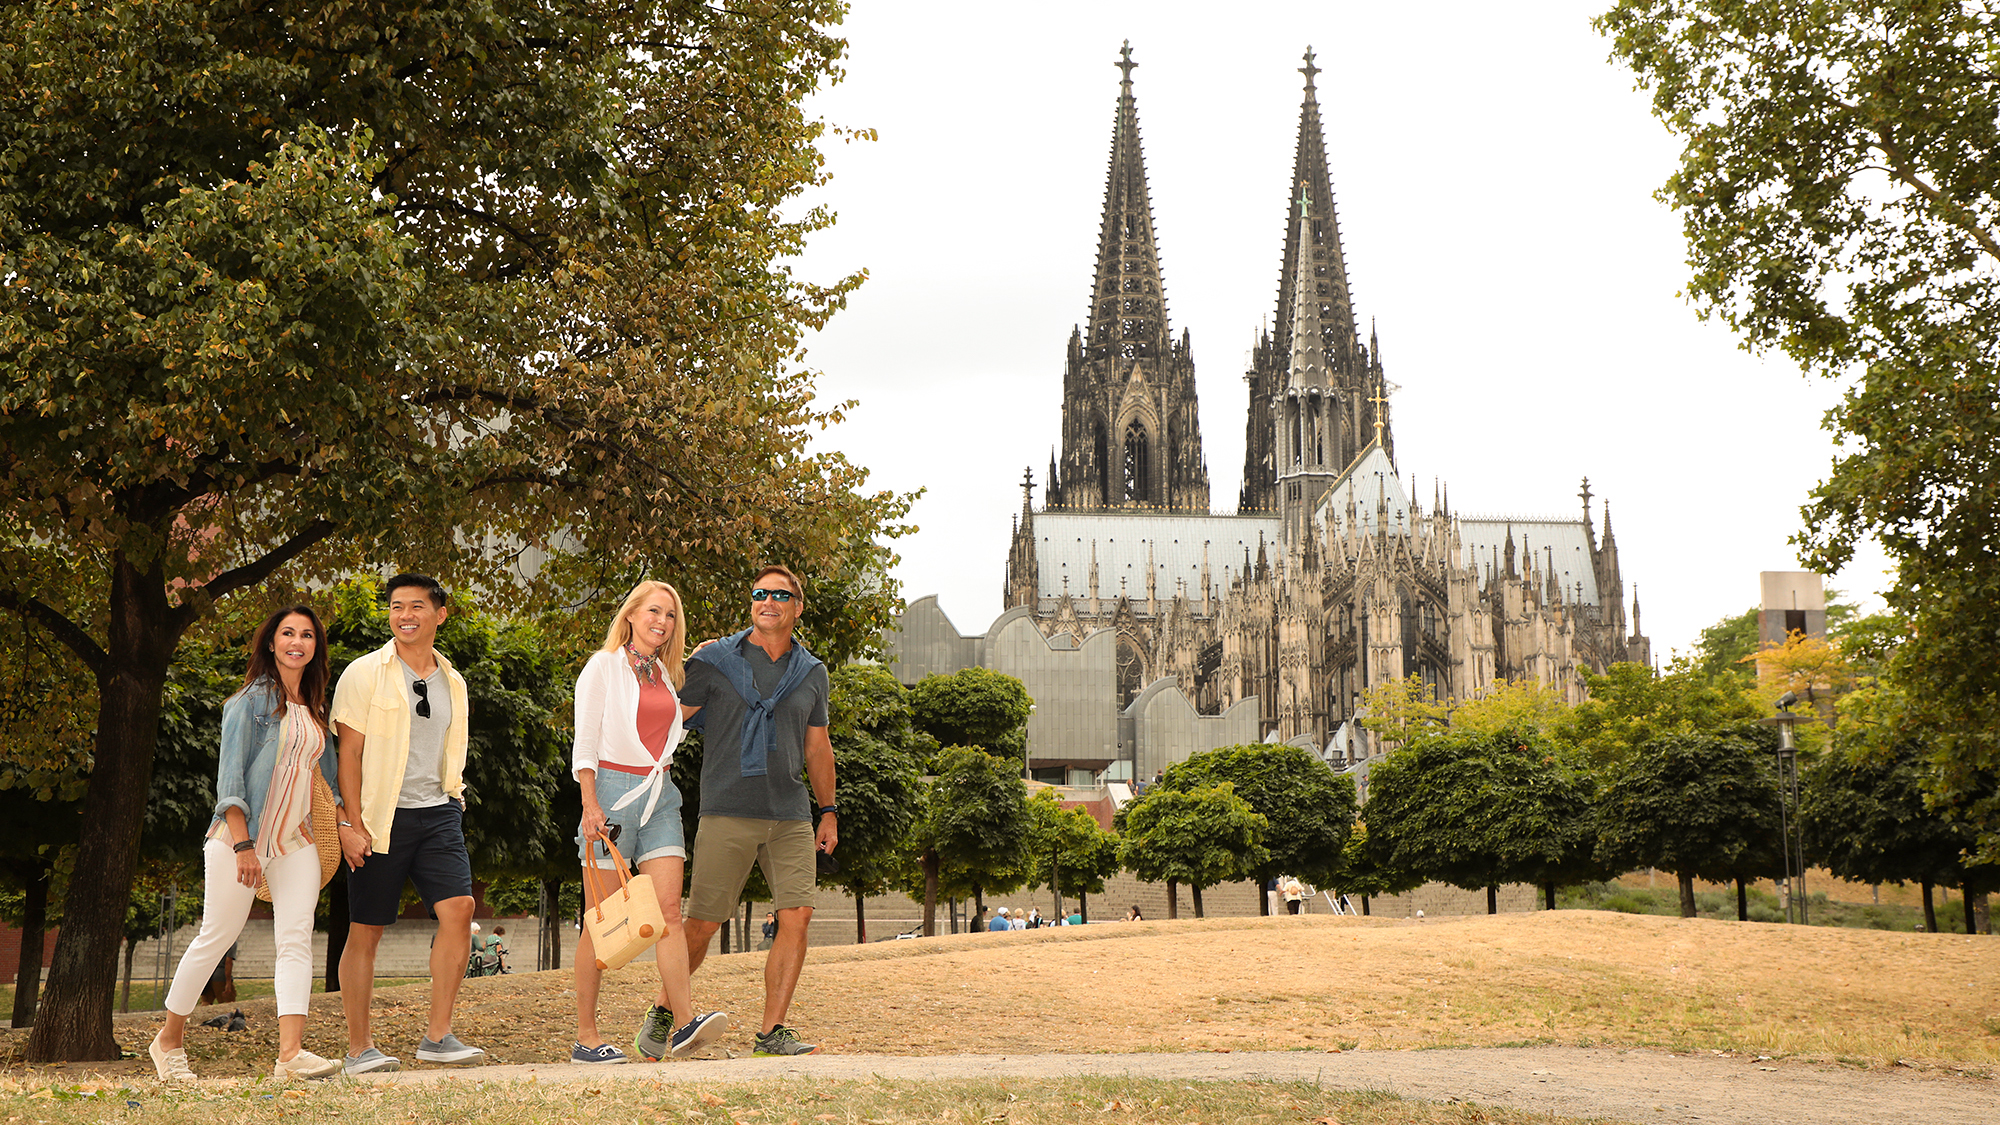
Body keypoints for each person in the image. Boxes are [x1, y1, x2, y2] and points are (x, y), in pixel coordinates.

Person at [149, 606, 344, 1084]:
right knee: (215, 937)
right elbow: (230, 783)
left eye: (306, 635)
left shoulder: (316, 709)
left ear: (316, 646)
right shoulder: (249, 702)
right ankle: (168, 1040)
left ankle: (290, 1054)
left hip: (294, 842)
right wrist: (243, 846)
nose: (297, 642)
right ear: (271, 643)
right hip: (240, 840)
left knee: (295, 939)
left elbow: (328, 783)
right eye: (287, 634)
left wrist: (346, 824)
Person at [679, 565, 836, 1057]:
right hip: (726, 807)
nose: (768, 601)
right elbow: (668, 720)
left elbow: (818, 747)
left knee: (798, 914)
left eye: (780, 595)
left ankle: (772, 1032)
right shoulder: (714, 660)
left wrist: (828, 810)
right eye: (759, 594)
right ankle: (666, 1013)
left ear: (798, 607)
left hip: (790, 813)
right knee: (703, 922)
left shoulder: (812, 672)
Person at [570, 580, 729, 1064]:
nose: (662, 621)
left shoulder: (664, 672)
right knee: (600, 922)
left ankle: (683, 1024)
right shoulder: (604, 666)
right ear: (632, 614)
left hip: (660, 795)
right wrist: (590, 803)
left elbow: (671, 728)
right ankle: (586, 1036)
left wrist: (707, 659)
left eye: (671, 615)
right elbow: (585, 741)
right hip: (611, 796)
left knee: (669, 913)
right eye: (655, 611)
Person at [332, 574, 482, 1074]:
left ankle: (438, 1036)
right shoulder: (364, 673)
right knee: (366, 931)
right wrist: (350, 823)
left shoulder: (454, 681)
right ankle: (359, 1049)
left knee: (459, 909)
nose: (405, 616)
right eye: (397, 607)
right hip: (379, 817)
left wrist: (454, 797)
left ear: (441, 613)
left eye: (417, 606)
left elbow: (449, 746)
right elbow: (347, 755)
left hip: (437, 812)